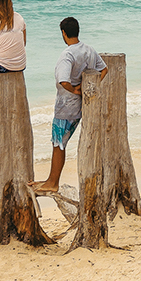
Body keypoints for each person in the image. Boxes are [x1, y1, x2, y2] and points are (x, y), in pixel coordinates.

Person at [32, 17, 106, 192]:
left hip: (66, 107)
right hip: (82, 106)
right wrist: (89, 88)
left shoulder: (68, 54)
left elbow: (63, 80)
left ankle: (53, 183)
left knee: (58, 144)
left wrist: (75, 90)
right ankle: (51, 179)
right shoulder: (89, 50)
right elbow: (104, 69)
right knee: (61, 143)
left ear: (63, 33)